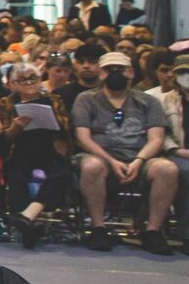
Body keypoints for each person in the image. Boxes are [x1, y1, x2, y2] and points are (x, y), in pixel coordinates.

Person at [71, 49, 176, 252]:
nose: (115, 74)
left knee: (167, 169)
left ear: (131, 73)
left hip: (140, 157)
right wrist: (111, 161)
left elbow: (156, 138)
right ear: (101, 74)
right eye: (109, 70)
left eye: (120, 69)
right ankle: (98, 228)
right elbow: (83, 138)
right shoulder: (86, 99)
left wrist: (138, 160)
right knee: (91, 165)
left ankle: (152, 231)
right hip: (100, 156)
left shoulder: (148, 101)